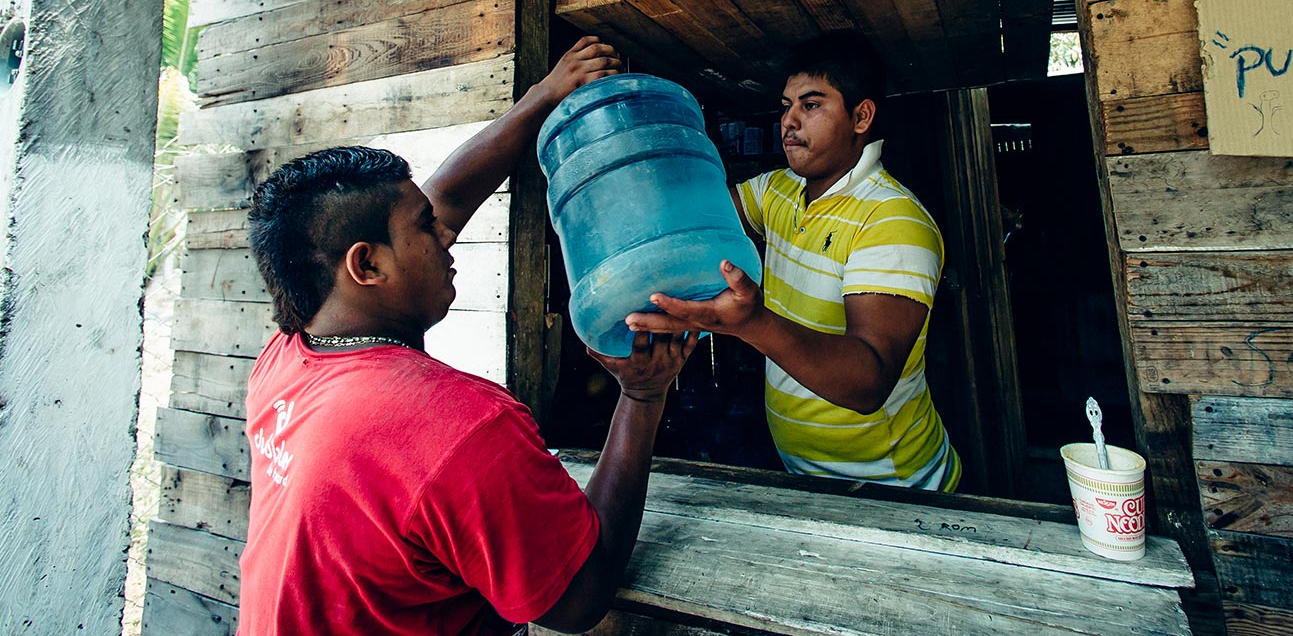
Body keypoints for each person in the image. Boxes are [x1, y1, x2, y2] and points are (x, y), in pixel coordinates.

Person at [237, 36, 699, 636]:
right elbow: (578, 596)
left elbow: (449, 197)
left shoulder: (287, 359)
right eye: (425, 229)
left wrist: (544, 96)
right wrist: (642, 397)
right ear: (367, 267)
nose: (446, 235)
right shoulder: (458, 426)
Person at [630, 31, 961, 492]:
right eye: (786, 106)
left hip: (893, 486)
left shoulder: (893, 220)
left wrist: (751, 322)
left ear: (861, 116)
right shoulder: (777, 191)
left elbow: (868, 382)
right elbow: (698, 220)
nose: (787, 121)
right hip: (803, 474)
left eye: (810, 105)